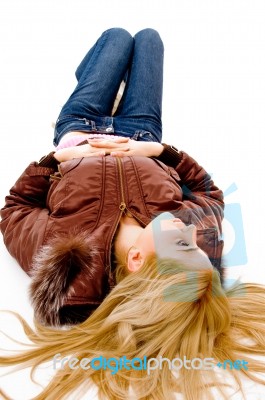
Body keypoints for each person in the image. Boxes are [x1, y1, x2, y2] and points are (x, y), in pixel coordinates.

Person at [0, 27, 265, 400]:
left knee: (117, 37)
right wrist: (160, 153)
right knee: (150, 38)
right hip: (141, 133)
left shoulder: (64, 262)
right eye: (199, 249)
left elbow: (15, 209)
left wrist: (61, 158)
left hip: (81, 131)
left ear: (138, 259)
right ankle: (107, 84)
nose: (193, 235)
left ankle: (93, 87)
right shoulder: (182, 229)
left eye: (183, 246)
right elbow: (210, 193)